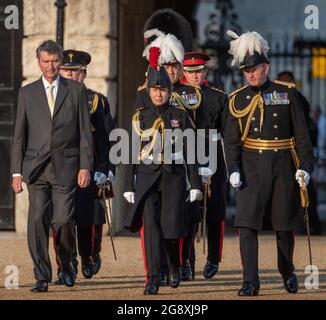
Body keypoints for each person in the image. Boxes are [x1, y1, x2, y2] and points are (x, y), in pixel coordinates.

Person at [224, 30, 314, 296]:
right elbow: (231, 141)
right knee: (246, 226)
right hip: (251, 168)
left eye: (255, 69)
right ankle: (250, 281)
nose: (251, 74)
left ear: (266, 67)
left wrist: (305, 167)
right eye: (246, 71)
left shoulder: (287, 94)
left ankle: (287, 271)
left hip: (282, 167)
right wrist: (233, 169)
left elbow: (302, 136)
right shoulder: (237, 99)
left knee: (284, 225)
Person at [11, 40, 93, 292]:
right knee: (36, 222)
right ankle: (42, 276)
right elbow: (19, 135)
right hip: (36, 169)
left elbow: (84, 133)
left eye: (55, 61)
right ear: (38, 62)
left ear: (60, 61)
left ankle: (67, 266)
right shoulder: (27, 92)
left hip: (66, 167)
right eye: (45, 61)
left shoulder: (76, 91)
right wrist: (16, 172)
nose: (51, 66)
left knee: (63, 221)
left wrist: (85, 166)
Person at [123, 64, 202, 295]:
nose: (159, 94)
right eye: (155, 90)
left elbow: (191, 152)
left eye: (163, 90)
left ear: (170, 92)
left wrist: (195, 183)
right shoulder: (140, 117)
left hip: (174, 177)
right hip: (148, 179)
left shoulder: (180, 116)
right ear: (148, 91)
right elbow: (130, 151)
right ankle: (153, 278)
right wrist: (129, 184)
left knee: (171, 227)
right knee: (151, 230)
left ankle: (175, 266)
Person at [51, 50, 116, 284]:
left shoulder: (96, 101)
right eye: (66, 71)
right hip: (59, 169)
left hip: (89, 166)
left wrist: (105, 168)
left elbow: (107, 139)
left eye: (75, 72)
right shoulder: (51, 99)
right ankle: (65, 266)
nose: (70, 75)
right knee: (60, 220)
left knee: (88, 217)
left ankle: (89, 255)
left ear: (83, 74)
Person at [173, 52, 229, 280]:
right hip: (185, 158)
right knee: (188, 213)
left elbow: (227, 131)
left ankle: (214, 257)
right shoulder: (175, 94)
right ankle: (185, 259)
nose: (195, 76)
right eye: (190, 72)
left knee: (215, 211)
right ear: (183, 72)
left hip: (212, 157)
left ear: (205, 71)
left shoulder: (217, 96)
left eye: (199, 72)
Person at [277, 71, 321, 235]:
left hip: (298, 150)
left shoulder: (299, 98)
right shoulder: (277, 96)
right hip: (284, 150)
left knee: (306, 189)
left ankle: (310, 222)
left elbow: (306, 127)